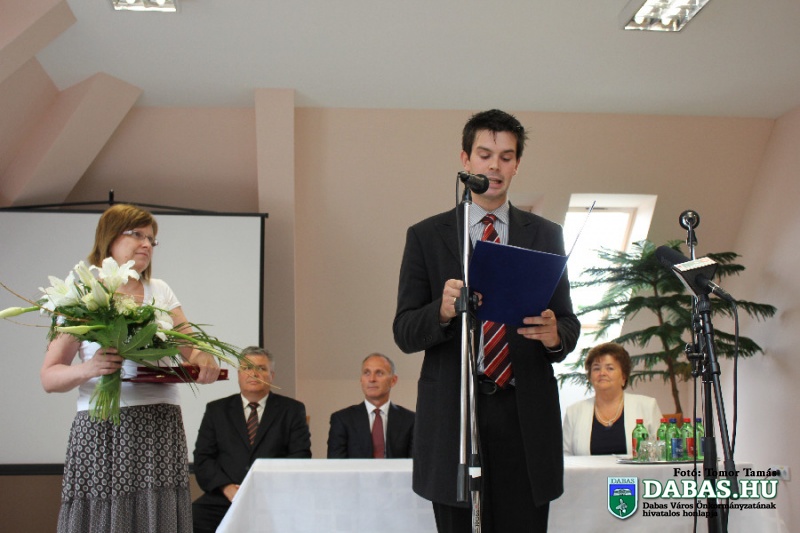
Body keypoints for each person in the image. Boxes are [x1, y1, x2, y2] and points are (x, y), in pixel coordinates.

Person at [393, 109, 581, 533]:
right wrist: (441, 311)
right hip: (455, 416)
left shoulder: (545, 234)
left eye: (506, 157)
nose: (495, 166)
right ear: (466, 160)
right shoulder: (427, 235)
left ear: (517, 165)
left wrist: (555, 335)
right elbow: (404, 331)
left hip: (523, 416)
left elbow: (568, 325)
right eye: (484, 155)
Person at [40, 204, 221, 533]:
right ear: (109, 238)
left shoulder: (160, 290)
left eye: (152, 239)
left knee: (157, 517)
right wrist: (91, 368)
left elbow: (192, 349)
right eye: (137, 235)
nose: (147, 244)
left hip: (160, 424)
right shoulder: (83, 294)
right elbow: (50, 377)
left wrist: (204, 359)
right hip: (104, 426)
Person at [192, 346, 311, 533]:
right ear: (239, 374)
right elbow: (203, 457)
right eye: (247, 368)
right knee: (192, 518)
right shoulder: (217, 410)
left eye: (261, 368)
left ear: (272, 375)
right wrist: (227, 488)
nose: (253, 374)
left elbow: (300, 456)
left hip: (273, 496)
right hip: (225, 497)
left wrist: (263, 487)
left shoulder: (292, 410)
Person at [562, 342, 662, 456]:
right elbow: (565, 457)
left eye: (610, 368)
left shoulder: (647, 406)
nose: (602, 373)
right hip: (585, 469)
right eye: (596, 368)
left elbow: (662, 452)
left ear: (623, 376)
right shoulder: (574, 412)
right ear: (590, 377)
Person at [327, 353, 415, 458]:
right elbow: (336, 464)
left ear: (393, 380)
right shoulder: (342, 419)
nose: (372, 379)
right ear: (361, 379)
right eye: (367, 373)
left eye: (379, 373)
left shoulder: (411, 420)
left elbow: (417, 463)